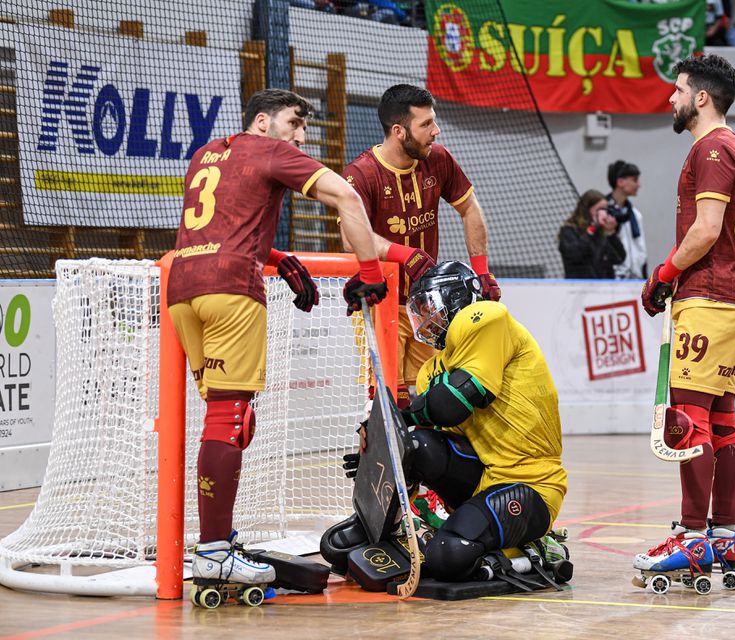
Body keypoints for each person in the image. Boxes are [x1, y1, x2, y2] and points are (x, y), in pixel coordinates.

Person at [166, 89, 387, 591]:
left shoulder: (206, 154)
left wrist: (277, 256)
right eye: (294, 122)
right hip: (230, 291)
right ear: (262, 121)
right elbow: (346, 196)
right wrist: (370, 271)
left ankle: (218, 542)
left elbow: (224, 223)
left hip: (182, 290)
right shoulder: (271, 150)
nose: (301, 135)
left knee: (228, 421)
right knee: (232, 419)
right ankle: (215, 553)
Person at [340, 261, 568, 583]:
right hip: (481, 477)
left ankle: (531, 549)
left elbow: (454, 403)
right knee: (417, 446)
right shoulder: (430, 368)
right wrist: (380, 450)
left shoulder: (488, 317)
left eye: (430, 306)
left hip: (531, 484)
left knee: (448, 553)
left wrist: (400, 417)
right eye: (420, 311)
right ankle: (391, 526)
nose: (426, 319)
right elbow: (429, 439)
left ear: (458, 297)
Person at [633, 54, 735, 590]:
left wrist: (663, 274)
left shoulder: (710, 147)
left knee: (687, 419)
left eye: (677, 89)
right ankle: (724, 535)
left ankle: (692, 537)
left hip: (707, 296)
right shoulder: (733, 146)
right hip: (732, 298)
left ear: (700, 97)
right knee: (721, 420)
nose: (671, 98)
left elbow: (706, 230)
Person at [340, 84, 499, 410]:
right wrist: (403, 253)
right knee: (386, 402)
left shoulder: (438, 160)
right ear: (399, 131)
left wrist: (482, 271)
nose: (436, 131)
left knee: (435, 396)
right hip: (380, 301)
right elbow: (350, 238)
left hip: (429, 305)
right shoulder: (362, 173)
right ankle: (379, 461)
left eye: (433, 121)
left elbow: (471, 209)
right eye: (426, 124)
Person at [558, 190, 626, 279]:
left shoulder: (602, 233)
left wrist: (611, 233)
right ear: (586, 209)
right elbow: (575, 254)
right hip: (578, 286)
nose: (603, 213)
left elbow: (619, 258)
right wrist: (591, 229)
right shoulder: (569, 230)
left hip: (604, 287)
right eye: (599, 209)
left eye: (605, 209)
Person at [606, 160, 648, 279]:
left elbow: (641, 248)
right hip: (611, 280)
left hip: (635, 280)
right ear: (620, 182)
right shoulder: (604, 213)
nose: (638, 185)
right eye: (635, 180)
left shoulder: (636, 215)